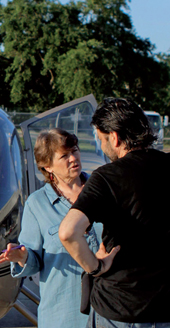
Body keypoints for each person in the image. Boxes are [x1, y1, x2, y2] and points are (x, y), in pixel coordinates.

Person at [59, 97, 170, 328]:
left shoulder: (107, 177)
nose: (101, 146)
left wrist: (96, 267)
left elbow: (68, 232)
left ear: (115, 137)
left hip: (119, 308)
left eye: (101, 139)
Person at [0, 128, 102, 328]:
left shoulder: (102, 189)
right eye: (64, 155)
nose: (73, 158)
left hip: (109, 313)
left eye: (75, 150)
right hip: (63, 316)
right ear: (47, 166)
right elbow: (34, 262)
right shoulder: (37, 204)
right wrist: (22, 257)